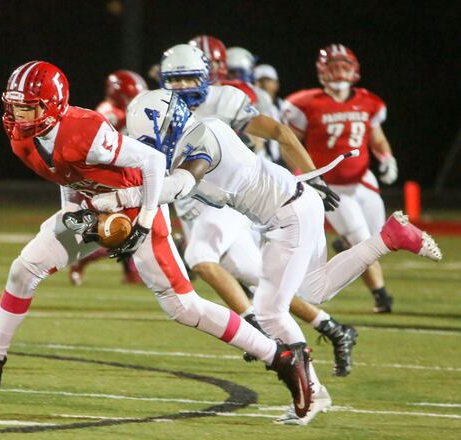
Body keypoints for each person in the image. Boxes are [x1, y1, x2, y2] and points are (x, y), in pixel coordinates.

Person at [0, 61, 313, 418]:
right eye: (14, 107)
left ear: (52, 106)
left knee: (183, 307)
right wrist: (71, 216)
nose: (17, 116)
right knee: (23, 269)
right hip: (97, 205)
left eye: (27, 108)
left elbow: (152, 162)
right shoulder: (23, 140)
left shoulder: (85, 130)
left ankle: (279, 356)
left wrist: (144, 221)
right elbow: (67, 177)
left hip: (138, 203)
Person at [102, 89, 441, 424]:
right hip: (289, 207)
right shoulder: (202, 129)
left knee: (270, 311)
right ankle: (391, 237)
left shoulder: (200, 140)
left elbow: (180, 183)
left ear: (168, 124)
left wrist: (117, 200)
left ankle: (311, 392)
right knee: (314, 289)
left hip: (286, 214)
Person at [156, 43, 358, 377]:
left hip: (228, 200)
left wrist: (314, 178)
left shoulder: (226, 100)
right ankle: (334, 328)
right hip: (191, 204)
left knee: (200, 259)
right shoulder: (157, 108)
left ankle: (257, 334)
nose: (182, 89)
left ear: (205, 77)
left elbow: (278, 133)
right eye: (175, 81)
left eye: (189, 79)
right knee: (261, 282)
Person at [281, 44, 399, 313]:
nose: (339, 71)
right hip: (332, 185)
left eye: (344, 65)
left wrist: (387, 157)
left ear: (354, 69)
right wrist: (305, 175)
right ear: (322, 70)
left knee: (378, 240)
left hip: (363, 180)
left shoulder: (369, 101)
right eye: (333, 65)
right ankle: (381, 295)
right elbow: (289, 143)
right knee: (362, 242)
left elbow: (377, 136)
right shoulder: (304, 103)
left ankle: (344, 246)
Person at [69, 70, 147, 286]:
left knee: (127, 226)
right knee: (123, 226)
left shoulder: (115, 110)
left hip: (116, 175)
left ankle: (130, 271)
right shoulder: (111, 114)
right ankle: (84, 260)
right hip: (107, 179)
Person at [254, 64, 286, 165]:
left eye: (266, 80)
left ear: (276, 84)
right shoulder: (251, 106)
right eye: (258, 81)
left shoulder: (284, 107)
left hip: (282, 162)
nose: (261, 85)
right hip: (261, 161)